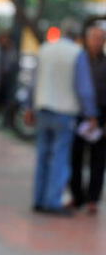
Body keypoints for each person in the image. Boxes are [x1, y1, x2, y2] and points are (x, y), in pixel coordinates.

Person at [26, 23, 98, 216]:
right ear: (78, 36)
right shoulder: (77, 53)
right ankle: (52, 201)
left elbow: (33, 82)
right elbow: (84, 88)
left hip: (43, 108)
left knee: (42, 155)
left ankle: (39, 199)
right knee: (60, 157)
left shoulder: (45, 49)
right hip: (65, 111)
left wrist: (28, 107)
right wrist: (91, 114)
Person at [70, 26, 106, 214]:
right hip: (78, 114)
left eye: (101, 38)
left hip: (100, 116)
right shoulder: (79, 60)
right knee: (74, 158)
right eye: (94, 38)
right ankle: (77, 196)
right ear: (86, 39)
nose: (97, 42)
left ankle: (93, 198)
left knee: (98, 160)